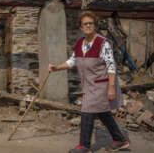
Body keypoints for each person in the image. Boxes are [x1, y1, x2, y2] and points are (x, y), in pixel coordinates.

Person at [48, 11, 129, 153]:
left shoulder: (103, 43)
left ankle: (84, 146)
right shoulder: (79, 43)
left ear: (95, 25)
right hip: (89, 86)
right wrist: (57, 68)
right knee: (103, 113)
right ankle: (120, 140)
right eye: (85, 24)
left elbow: (111, 66)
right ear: (81, 27)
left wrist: (111, 88)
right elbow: (72, 61)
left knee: (87, 110)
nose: (88, 26)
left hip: (102, 85)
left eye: (91, 23)